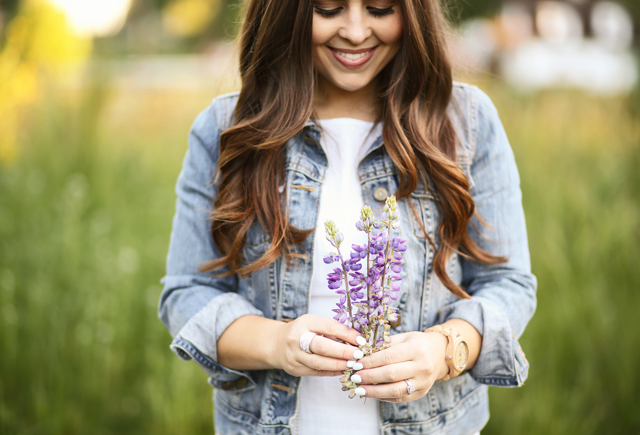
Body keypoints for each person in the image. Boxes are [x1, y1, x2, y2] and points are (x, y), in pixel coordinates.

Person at [158, 0, 537, 434]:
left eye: (379, 9)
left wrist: (443, 351)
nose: (356, 32)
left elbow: (509, 283)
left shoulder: (466, 123)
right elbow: (187, 294)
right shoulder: (226, 129)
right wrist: (278, 344)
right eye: (328, 8)